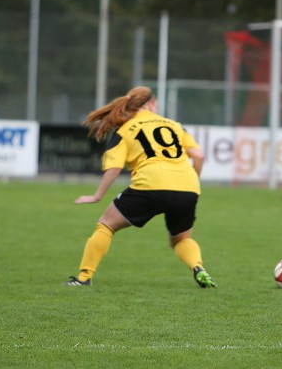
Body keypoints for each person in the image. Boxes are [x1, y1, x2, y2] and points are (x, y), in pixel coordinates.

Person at [65, 86, 217, 288]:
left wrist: (97, 195)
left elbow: (114, 167)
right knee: (181, 238)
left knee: (106, 225)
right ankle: (198, 267)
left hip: (150, 184)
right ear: (151, 104)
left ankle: (84, 278)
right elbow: (198, 156)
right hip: (187, 186)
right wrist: (192, 181)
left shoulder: (126, 129)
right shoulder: (175, 125)